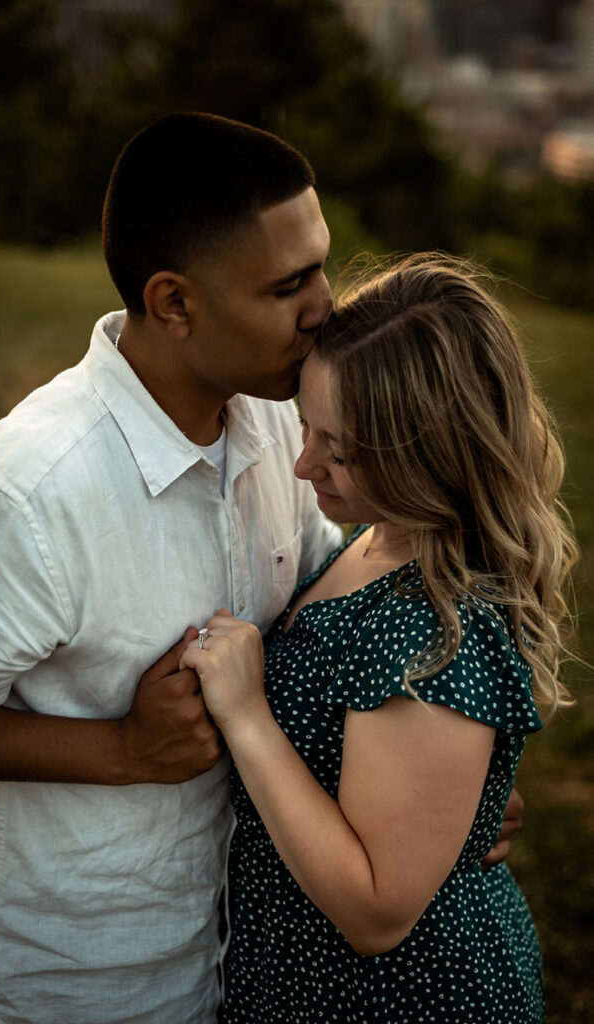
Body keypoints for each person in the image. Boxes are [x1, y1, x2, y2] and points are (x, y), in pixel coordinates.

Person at [0, 115, 520, 1024]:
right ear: (174, 302)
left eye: (323, 265)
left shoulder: (291, 423)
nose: (325, 305)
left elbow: (351, 604)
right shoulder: (28, 499)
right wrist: (118, 752)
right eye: (289, 285)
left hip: (233, 960)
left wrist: (439, 788)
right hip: (66, 978)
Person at [182, 255, 577, 1023]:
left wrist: (247, 714)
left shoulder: (437, 625)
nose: (303, 465)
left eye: (342, 450)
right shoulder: (382, 537)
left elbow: (376, 913)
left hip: (390, 998)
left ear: (432, 455)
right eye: (307, 428)